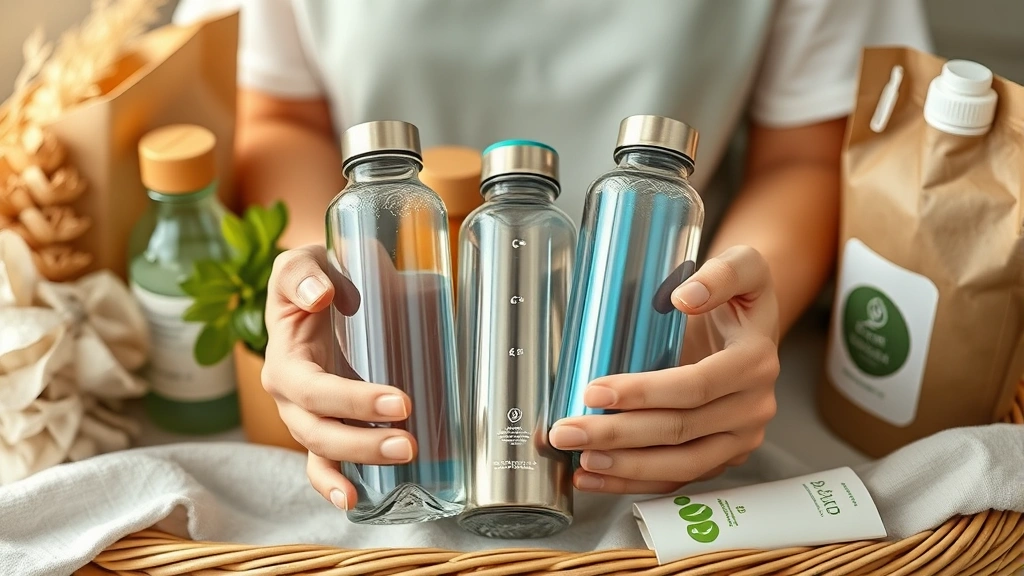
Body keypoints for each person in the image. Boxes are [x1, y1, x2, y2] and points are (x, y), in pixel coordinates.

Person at [175, 0, 931, 510]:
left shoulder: (640, 207)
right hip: (401, 363)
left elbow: (803, 153)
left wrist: (718, 328)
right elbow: (281, 114)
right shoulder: (412, 218)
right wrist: (335, 285)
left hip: (651, 344)